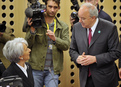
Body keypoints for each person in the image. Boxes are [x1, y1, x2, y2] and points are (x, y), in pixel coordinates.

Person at [69, 3, 120, 87]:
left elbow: (115, 53)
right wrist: (77, 58)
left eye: (83, 18)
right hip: (85, 79)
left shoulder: (110, 28)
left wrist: (95, 59)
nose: (80, 21)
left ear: (93, 18)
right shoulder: (77, 27)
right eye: (79, 18)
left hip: (105, 79)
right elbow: (72, 50)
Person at [24, 0, 70, 87]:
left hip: (52, 70)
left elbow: (66, 45)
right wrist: (32, 30)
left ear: (58, 8)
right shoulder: (36, 22)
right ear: (45, 7)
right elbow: (27, 45)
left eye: (55, 7)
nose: (52, 10)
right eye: (50, 6)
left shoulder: (63, 26)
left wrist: (55, 39)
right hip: (35, 69)